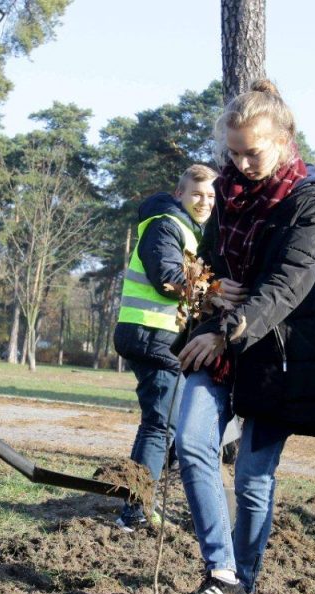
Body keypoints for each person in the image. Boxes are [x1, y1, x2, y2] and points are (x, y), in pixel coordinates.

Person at [168, 78, 315, 594]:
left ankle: (241, 584)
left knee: (252, 479)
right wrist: (215, 289)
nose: (242, 163)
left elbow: (289, 282)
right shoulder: (225, 192)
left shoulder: (309, 202)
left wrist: (228, 326)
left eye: (254, 152)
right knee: (193, 439)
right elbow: (218, 263)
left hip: (278, 355)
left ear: (285, 139)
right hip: (221, 340)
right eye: (233, 152)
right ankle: (221, 571)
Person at [112, 164, 217, 531]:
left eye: (210, 196)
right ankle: (134, 512)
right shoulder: (166, 224)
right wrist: (215, 293)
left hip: (160, 337)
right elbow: (167, 280)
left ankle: (139, 504)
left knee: (164, 424)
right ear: (179, 195)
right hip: (152, 336)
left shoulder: (188, 229)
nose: (204, 202)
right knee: (159, 426)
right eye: (197, 194)